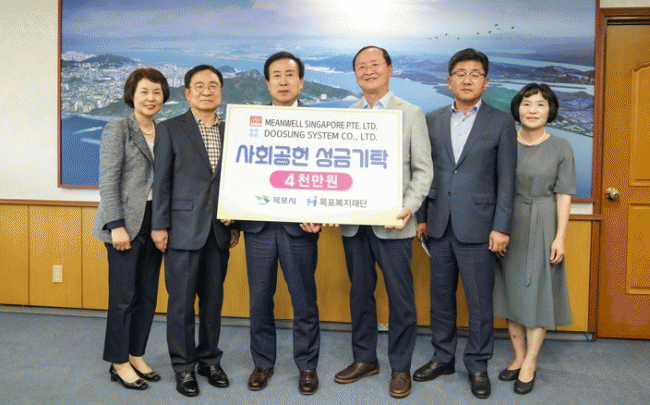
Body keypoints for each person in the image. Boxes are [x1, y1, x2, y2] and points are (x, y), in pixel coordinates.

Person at [414, 48, 517, 399]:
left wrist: (501, 226)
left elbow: (507, 180)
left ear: (486, 82)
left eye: (475, 74)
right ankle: (443, 358)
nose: (467, 79)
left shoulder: (500, 122)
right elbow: (424, 173)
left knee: (480, 303)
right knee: (441, 299)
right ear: (449, 81)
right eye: (460, 73)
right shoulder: (432, 119)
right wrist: (422, 218)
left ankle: (477, 364)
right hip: (439, 224)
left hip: (480, 227)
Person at [334, 46, 433, 399]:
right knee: (360, 294)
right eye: (361, 66)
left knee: (400, 299)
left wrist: (409, 207)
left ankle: (400, 367)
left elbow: (423, 170)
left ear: (390, 69)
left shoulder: (411, 113)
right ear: (355, 74)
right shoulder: (348, 114)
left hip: (394, 223)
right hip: (354, 224)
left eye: (375, 64)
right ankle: (365, 359)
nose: (368, 71)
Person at [151, 65, 239, 397]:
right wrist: (159, 225)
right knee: (181, 304)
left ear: (221, 92)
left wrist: (236, 220)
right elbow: (161, 182)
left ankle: (210, 360)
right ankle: (184, 366)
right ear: (187, 93)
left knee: (213, 303)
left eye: (213, 85)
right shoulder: (170, 129)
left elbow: (240, 182)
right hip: (182, 231)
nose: (206, 91)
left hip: (219, 232)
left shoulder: (233, 131)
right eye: (199, 86)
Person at [240, 51, 321, 395]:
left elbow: (329, 173)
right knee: (259, 300)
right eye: (277, 75)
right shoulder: (249, 122)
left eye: (290, 75)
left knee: (304, 300)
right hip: (258, 227)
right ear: (267, 83)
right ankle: (263, 362)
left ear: (301, 82)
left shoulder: (319, 123)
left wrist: (321, 213)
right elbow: (239, 172)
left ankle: (307, 365)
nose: (283, 81)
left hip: (300, 228)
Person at [494, 83, 575, 395]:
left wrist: (560, 237)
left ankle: (530, 361)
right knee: (511, 291)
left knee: (538, 293)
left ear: (549, 110)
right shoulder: (504, 143)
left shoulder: (561, 147)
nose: (532, 110)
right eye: (526, 103)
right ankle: (517, 356)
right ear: (517, 108)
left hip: (543, 221)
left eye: (540, 104)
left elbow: (564, 195)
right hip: (508, 222)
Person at [92, 67, 169, 390]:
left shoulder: (163, 132)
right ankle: (118, 361)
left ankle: (136, 354)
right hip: (123, 223)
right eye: (144, 92)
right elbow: (108, 181)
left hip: (155, 221)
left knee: (147, 295)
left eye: (157, 92)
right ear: (132, 96)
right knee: (123, 296)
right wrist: (117, 226)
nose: (151, 98)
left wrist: (164, 223)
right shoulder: (118, 129)